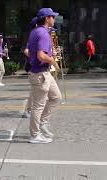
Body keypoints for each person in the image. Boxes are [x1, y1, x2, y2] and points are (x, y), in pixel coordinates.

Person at [27, 8, 62, 144]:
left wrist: (51, 54)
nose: (54, 19)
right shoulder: (43, 33)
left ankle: (43, 122)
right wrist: (53, 61)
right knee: (38, 106)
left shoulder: (36, 32)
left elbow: (31, 52)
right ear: (47, 18)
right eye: (52, 17)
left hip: (43, 72)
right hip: (40, 73)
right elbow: (40, 55)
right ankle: (34, 135)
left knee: (56, 97)